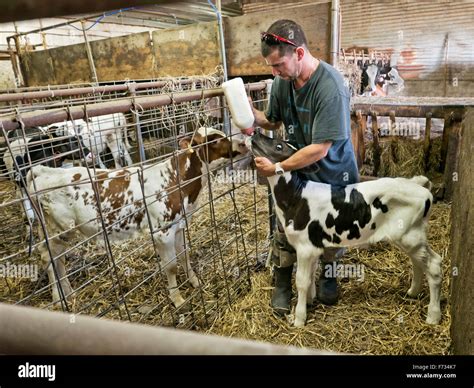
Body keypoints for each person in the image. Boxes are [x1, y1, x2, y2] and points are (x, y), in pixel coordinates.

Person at [247, 19, 359, 316]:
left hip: (333, 172)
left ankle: (330, 273)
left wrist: (279, 167)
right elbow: (272, 119)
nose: (274, 72)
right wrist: (248, 113)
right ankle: (283, 281)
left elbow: (320, 149)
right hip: (298, 172)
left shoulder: (330, 86)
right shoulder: (283, 84)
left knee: (333, 229)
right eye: (270, 66)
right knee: (285, 225)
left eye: (278, 64)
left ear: (298, 53)